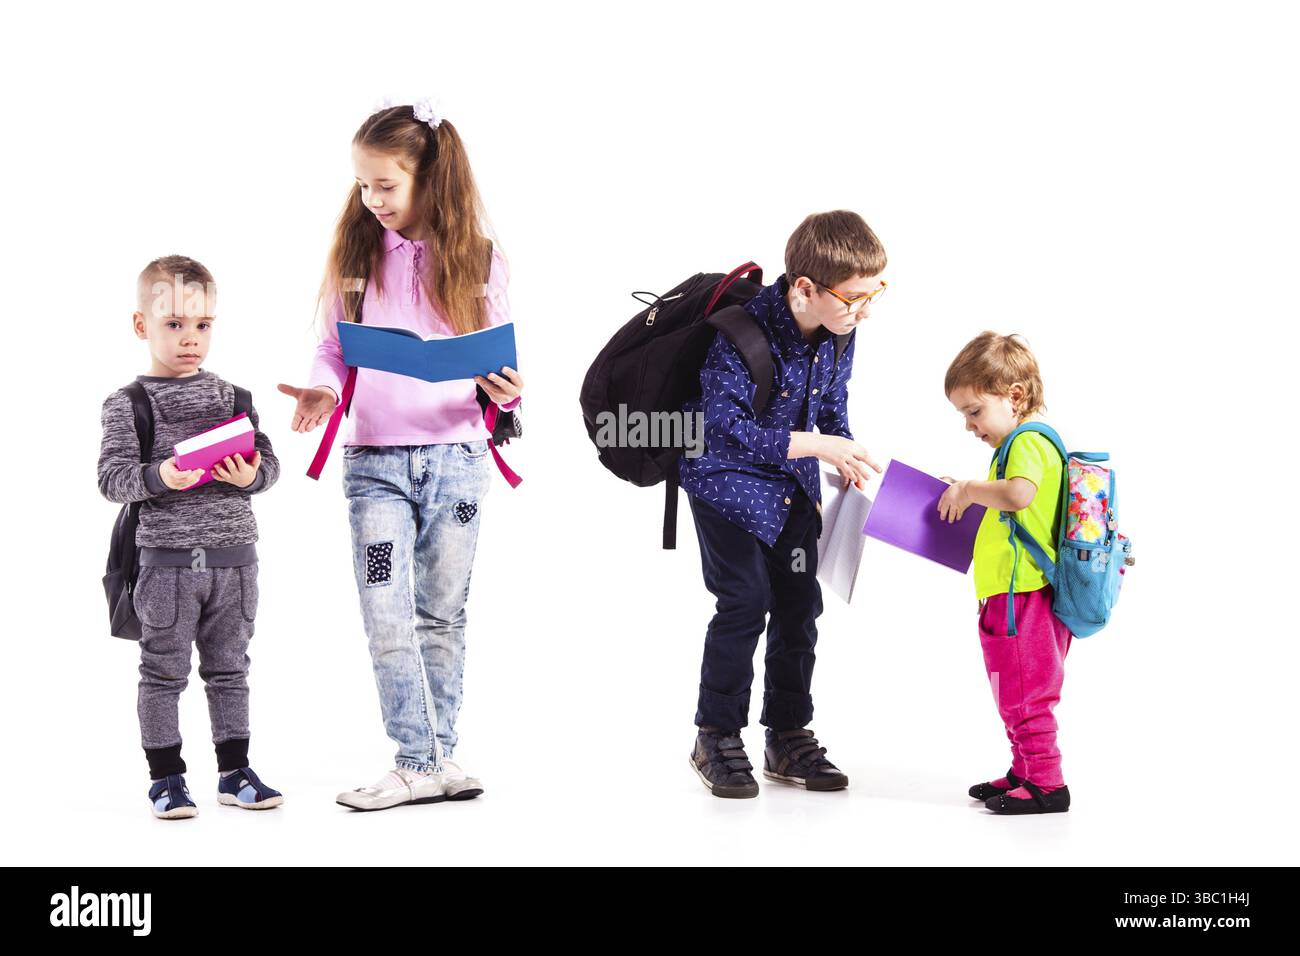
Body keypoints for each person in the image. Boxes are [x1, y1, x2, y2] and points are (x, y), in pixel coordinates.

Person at [279, 99, 522, 811]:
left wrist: (505, 392)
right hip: (375, 465)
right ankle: (420, 759)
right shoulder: (355, 258)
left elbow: (500, 362)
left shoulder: (480, 259)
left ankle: (438, 759)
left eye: (385, 184)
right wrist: (325, 391)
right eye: (362, 185)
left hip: (459, 460)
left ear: (429, 179)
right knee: (387, 612)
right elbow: (332, 347)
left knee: (443, 614)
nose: (371, 198)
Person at [677, 210, 887, 797]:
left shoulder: (842, 332)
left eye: (875, 295)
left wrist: (841, 458)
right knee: (744, 600)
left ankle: (787, 734)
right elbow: (724, 428)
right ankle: (715, 734)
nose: (864, 310)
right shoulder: (739, 334)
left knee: (798, 604)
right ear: (805, 289)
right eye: (854, 298)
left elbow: (831, 404)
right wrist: (819, 445)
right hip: (725, 484)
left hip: (790, 487)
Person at [98, 254, 283, 819]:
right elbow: (110, 480)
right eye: (174, 324)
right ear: (142, 326)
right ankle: (167, 779)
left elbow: (268, 464)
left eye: (202, 325)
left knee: (231, 669)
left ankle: (235, 771)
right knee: (163, 673)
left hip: (236, 565)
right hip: (166, 568)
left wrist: (251, 476)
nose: (190, 339)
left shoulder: (234, 398)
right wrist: (160, 477)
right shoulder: (127, 404)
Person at [939, 331, 1073, 814]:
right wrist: (969, 490)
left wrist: (971, 488)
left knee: (1027, 692)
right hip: (1011, 593)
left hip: (1025, 594)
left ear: (1014, 395)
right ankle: (1026, 770)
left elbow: (1018, 495)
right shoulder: (1023, 442)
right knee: (1013, 689)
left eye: (974, 411)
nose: (970, 425)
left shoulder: (1027, 440)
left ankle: (1047, 784)